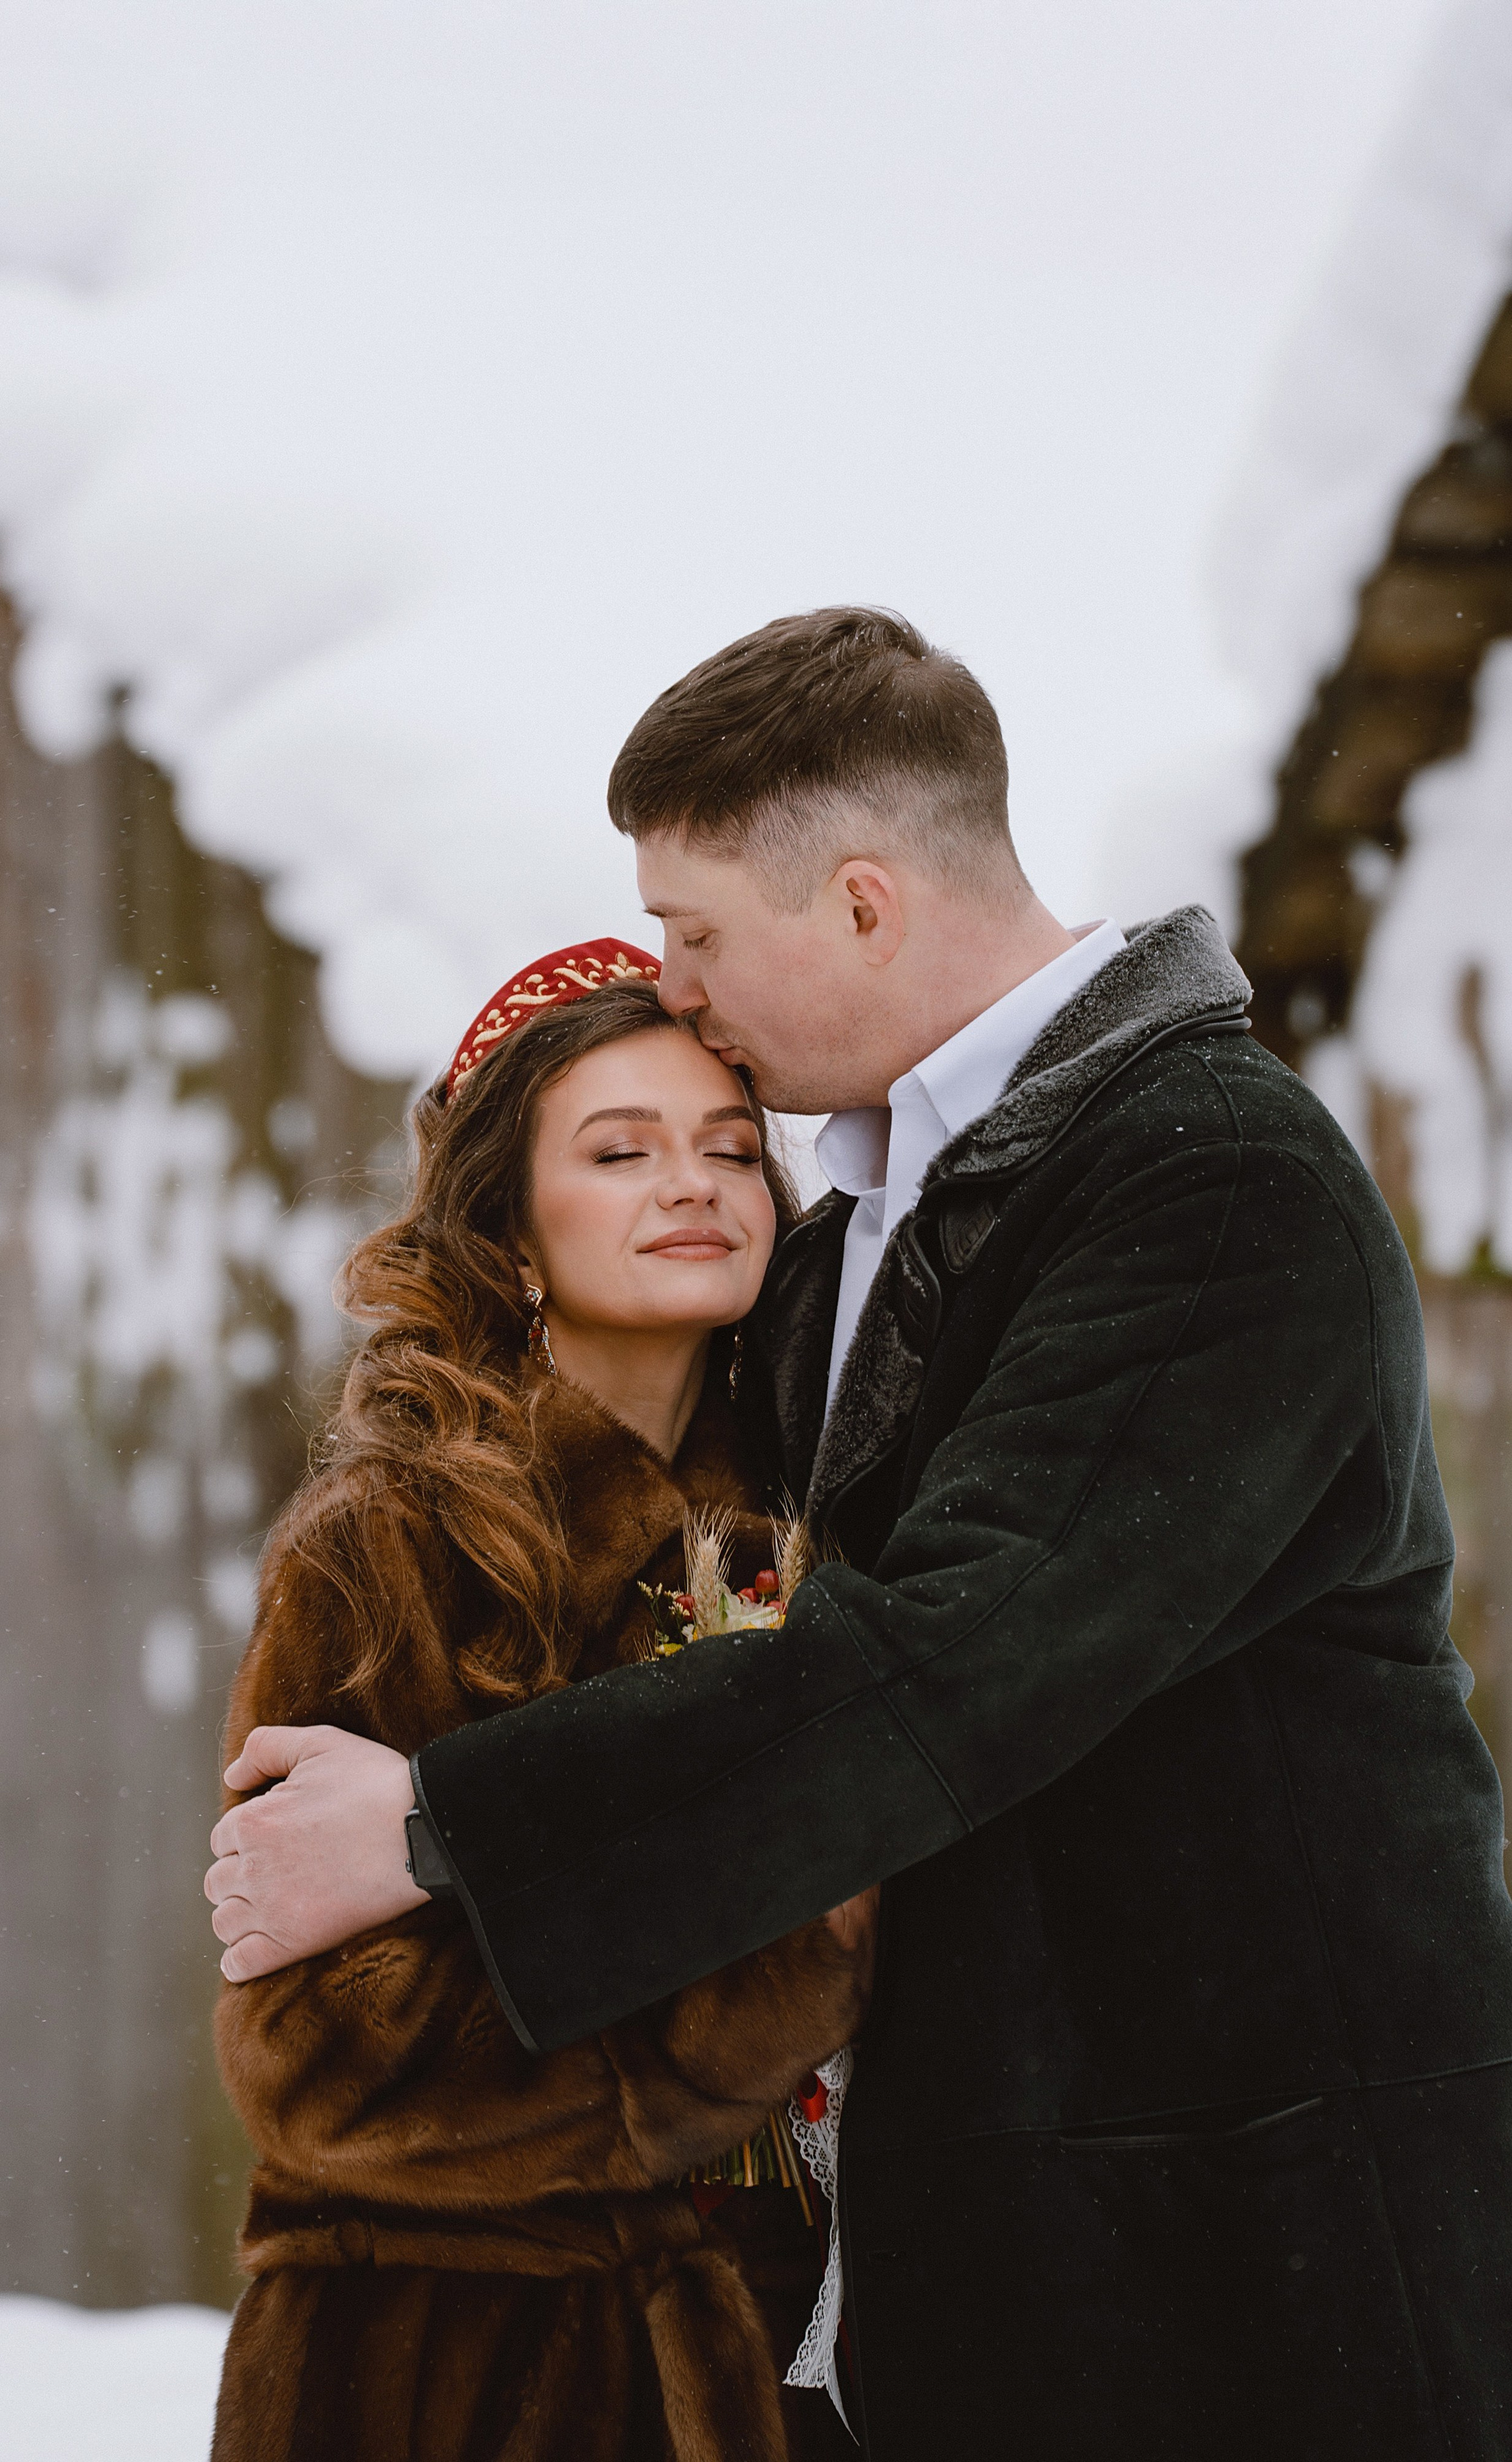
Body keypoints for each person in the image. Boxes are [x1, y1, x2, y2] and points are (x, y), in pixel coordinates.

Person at [209, 609, 1512, 2460]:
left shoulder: (1211, 1182)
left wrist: (443, 1828)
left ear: (868, 906)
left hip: (1244, 2281)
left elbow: (957, 1662)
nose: (678, 983)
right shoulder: (854, 1243)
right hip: (937, 2303)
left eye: (700, 932)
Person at [209, 951, 875, 2462]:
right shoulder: (387, 1539)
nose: (693, 1184)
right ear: (507, 1222)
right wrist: (792, 1968)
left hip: (785, 2361)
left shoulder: (812, 1523)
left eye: (727, 1147)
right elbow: (329, 2063)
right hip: (456, 2370)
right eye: (619, 1150)